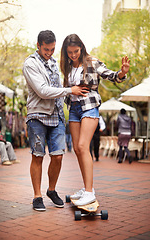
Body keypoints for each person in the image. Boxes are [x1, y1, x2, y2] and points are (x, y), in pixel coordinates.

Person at [60, 34, 130, 206]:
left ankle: (90, 192)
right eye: (70, 52)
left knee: (84, 146)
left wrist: (122, 72)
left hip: (89, 106)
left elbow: (110, 75)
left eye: (76, 51)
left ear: (81, 48)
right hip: (74, 109)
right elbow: (67, 89)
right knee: (77, 149)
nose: (74, 55)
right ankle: (86, 188)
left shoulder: (91, 61)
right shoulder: (67, 67)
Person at [22, 30, 88, 211]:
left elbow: (59, 86)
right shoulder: (31, 64)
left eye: (52, 49)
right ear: (38, 45)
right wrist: (69, 90)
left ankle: (51, 190)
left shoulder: (52, 63)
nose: (49, 53)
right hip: (37, 115)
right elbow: (43, 91)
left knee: (58, 156)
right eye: (46, 50)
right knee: (38, 156)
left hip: (56, 115)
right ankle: (37, 196)